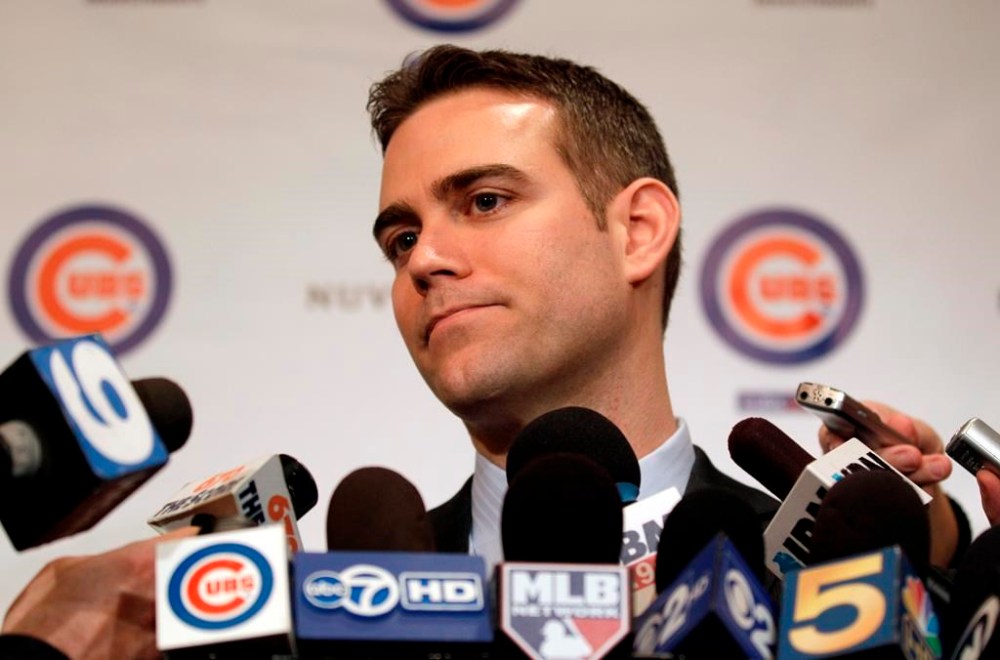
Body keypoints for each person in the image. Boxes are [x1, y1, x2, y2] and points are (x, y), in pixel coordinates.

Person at [0, 44, 980, 657]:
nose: (424, 259)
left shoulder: (854, 587)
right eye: (399, 239)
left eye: (483, 200)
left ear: (638, 230)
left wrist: (940, 570)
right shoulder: (305, 620)